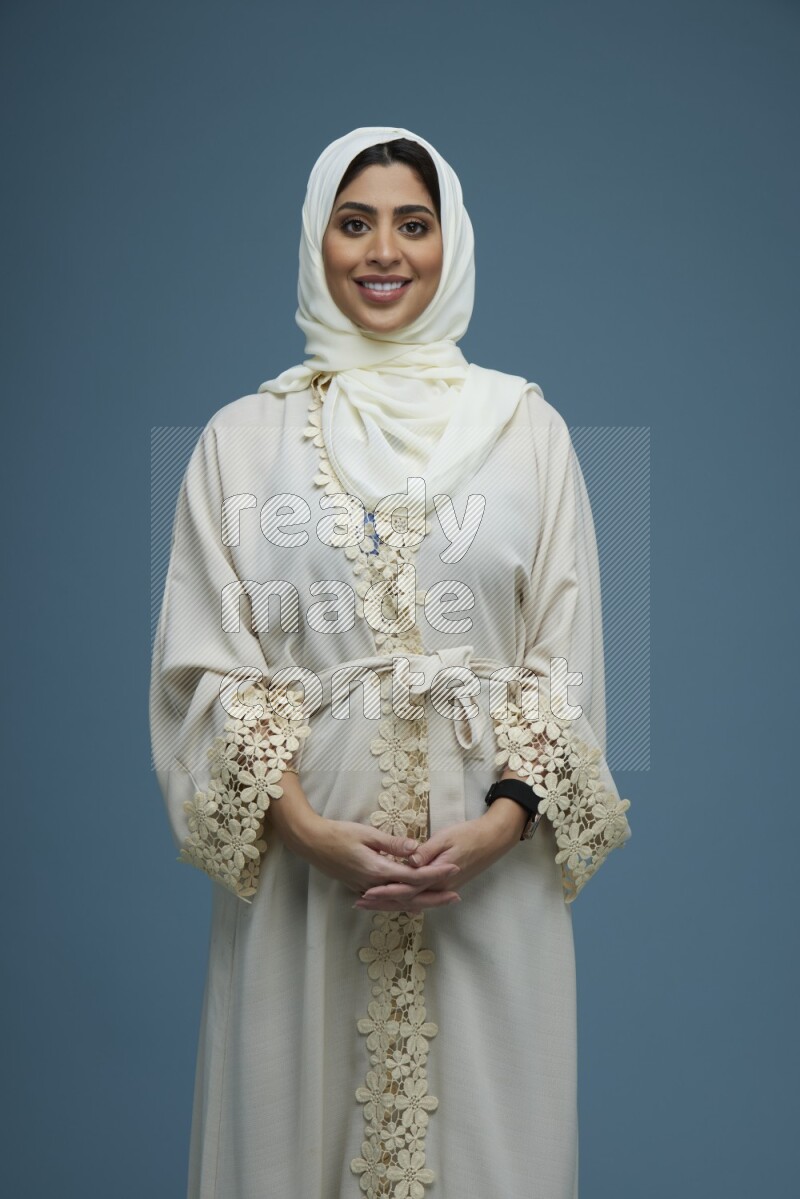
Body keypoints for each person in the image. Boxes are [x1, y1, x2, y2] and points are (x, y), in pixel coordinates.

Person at [150, 124, 632, 1199]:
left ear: (449, 242)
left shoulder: (524, 429)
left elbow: (565, 659)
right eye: (352, 221)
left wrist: (500, 826)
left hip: (486, 881)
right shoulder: (241, 439)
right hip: (302, 878)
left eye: (412, 225)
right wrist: (308, 830)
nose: (382, 251)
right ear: (316, 241)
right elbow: (203, 665)